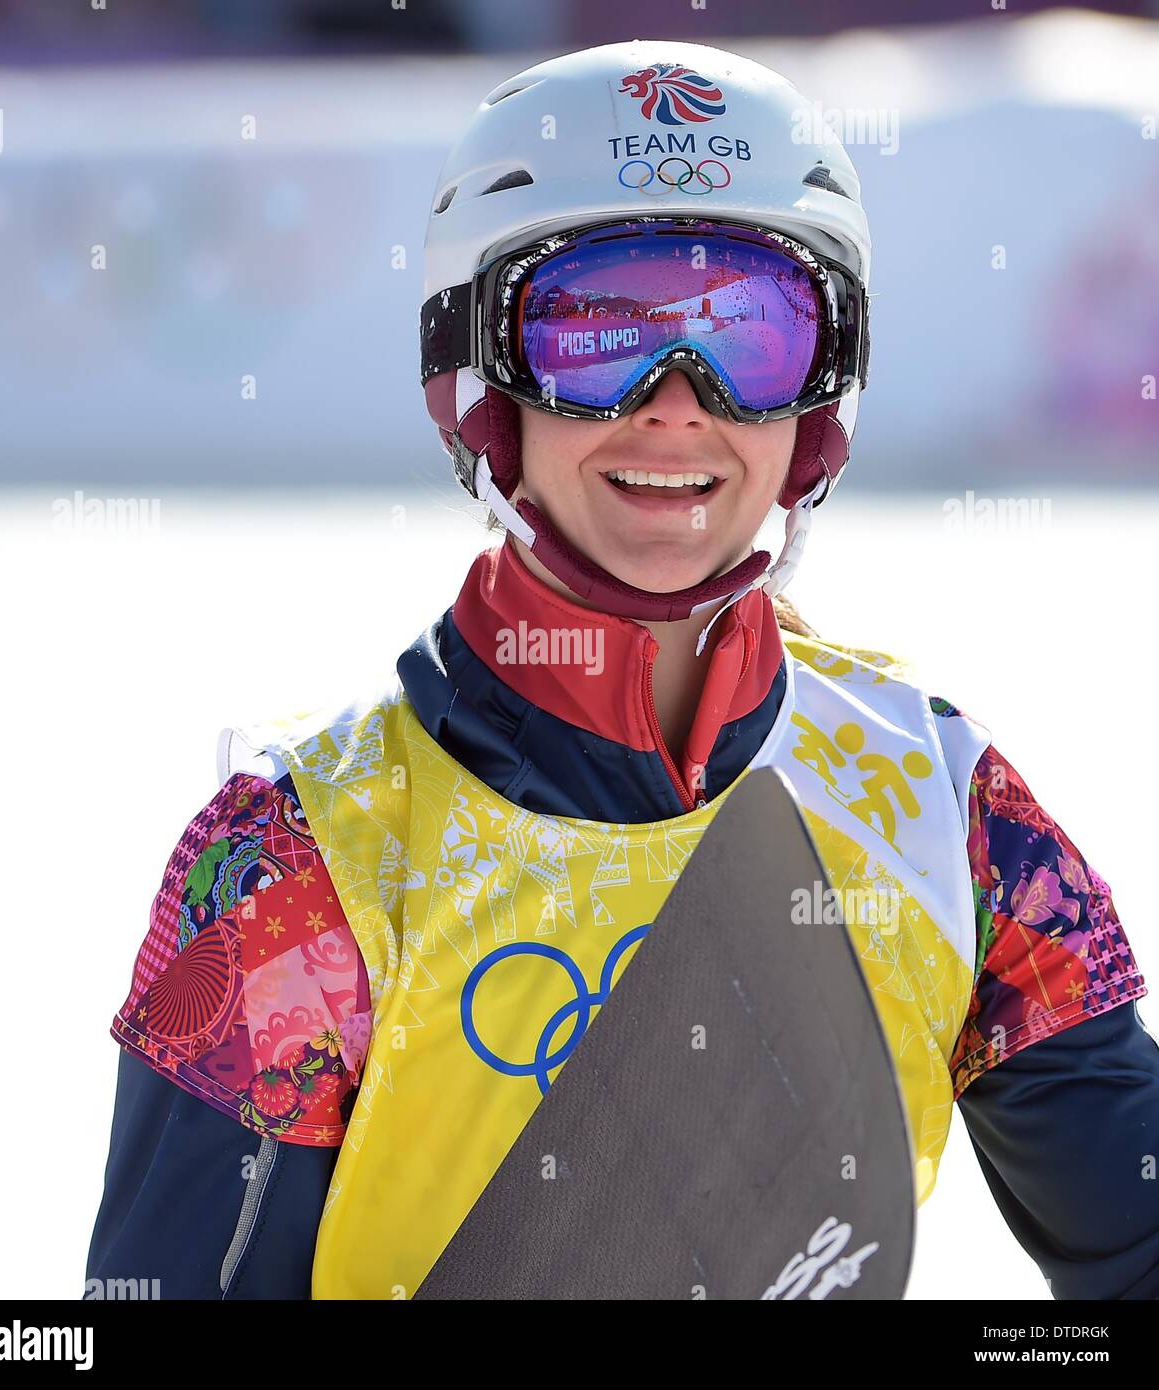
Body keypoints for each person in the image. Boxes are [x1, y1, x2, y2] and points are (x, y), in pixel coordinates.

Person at [85, 38, 1159, 1301]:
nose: (675, 403)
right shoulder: (298, 858)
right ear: (480, 383)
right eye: (597, 330)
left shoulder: (938, 805)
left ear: (818, 403)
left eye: (744, 333)